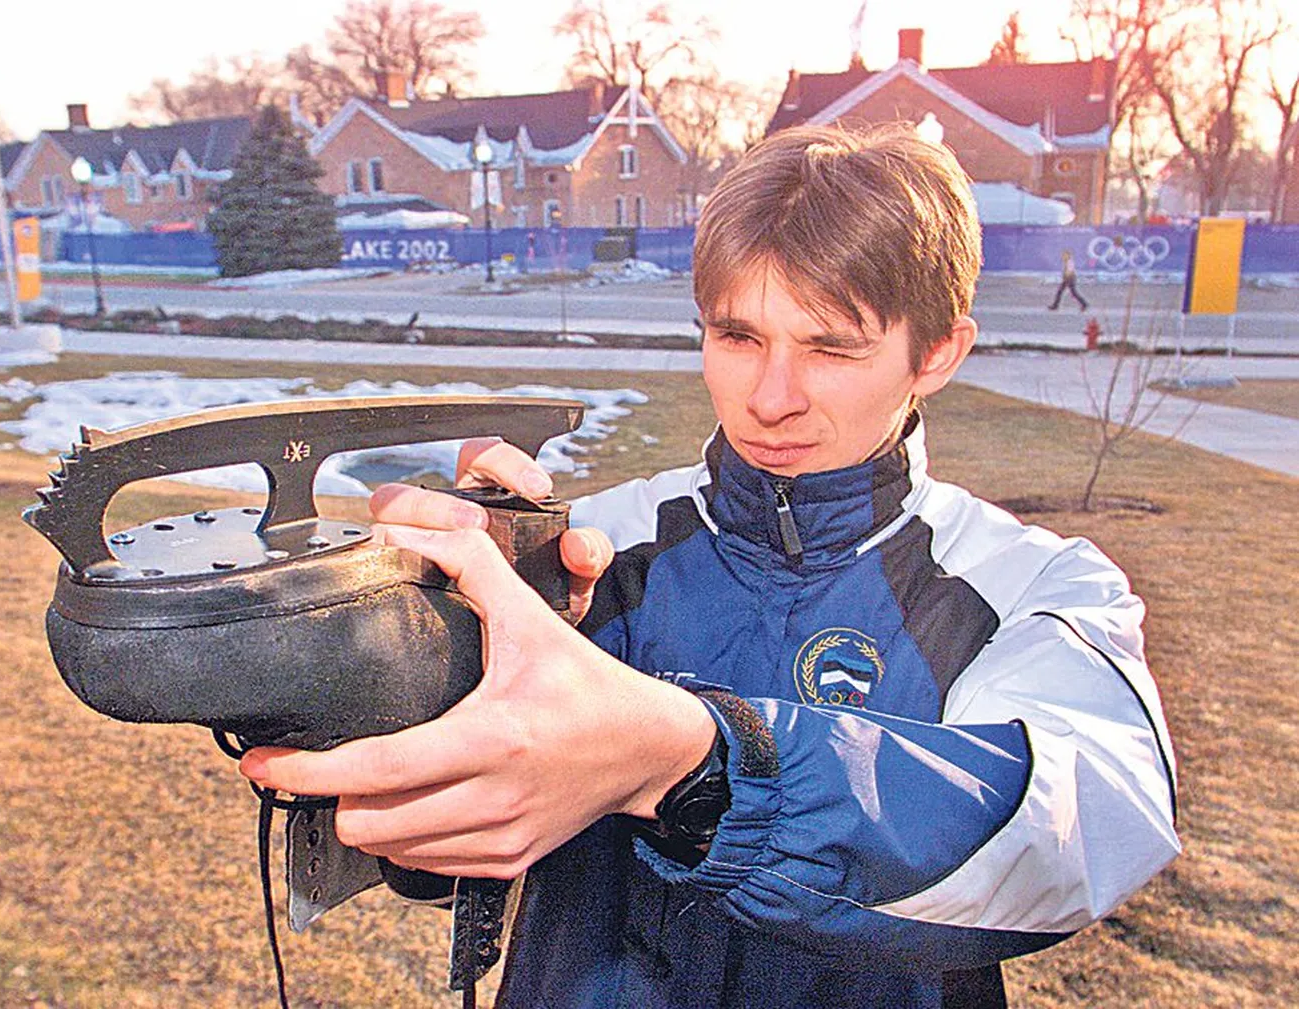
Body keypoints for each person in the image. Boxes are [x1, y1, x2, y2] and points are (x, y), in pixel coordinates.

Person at [241, 124, 1179, 1008]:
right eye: (737, 336)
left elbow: (1074, 831)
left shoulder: (1032, 586)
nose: (771, 397)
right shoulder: (596, 549)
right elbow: (444, 849)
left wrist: (696, 766)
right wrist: (413, 656)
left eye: (830, 347)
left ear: (936, 352)